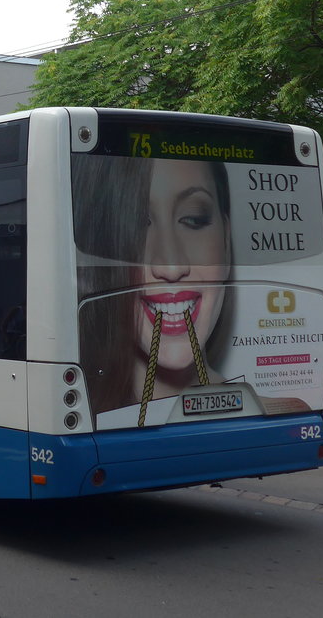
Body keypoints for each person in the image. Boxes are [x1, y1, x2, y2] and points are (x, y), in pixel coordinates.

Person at [74, 156, 234, 426]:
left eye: (193, 219)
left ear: (227, 241)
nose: (171, 266)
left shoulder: (281, 411)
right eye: (137, 223)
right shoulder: (66, 418)